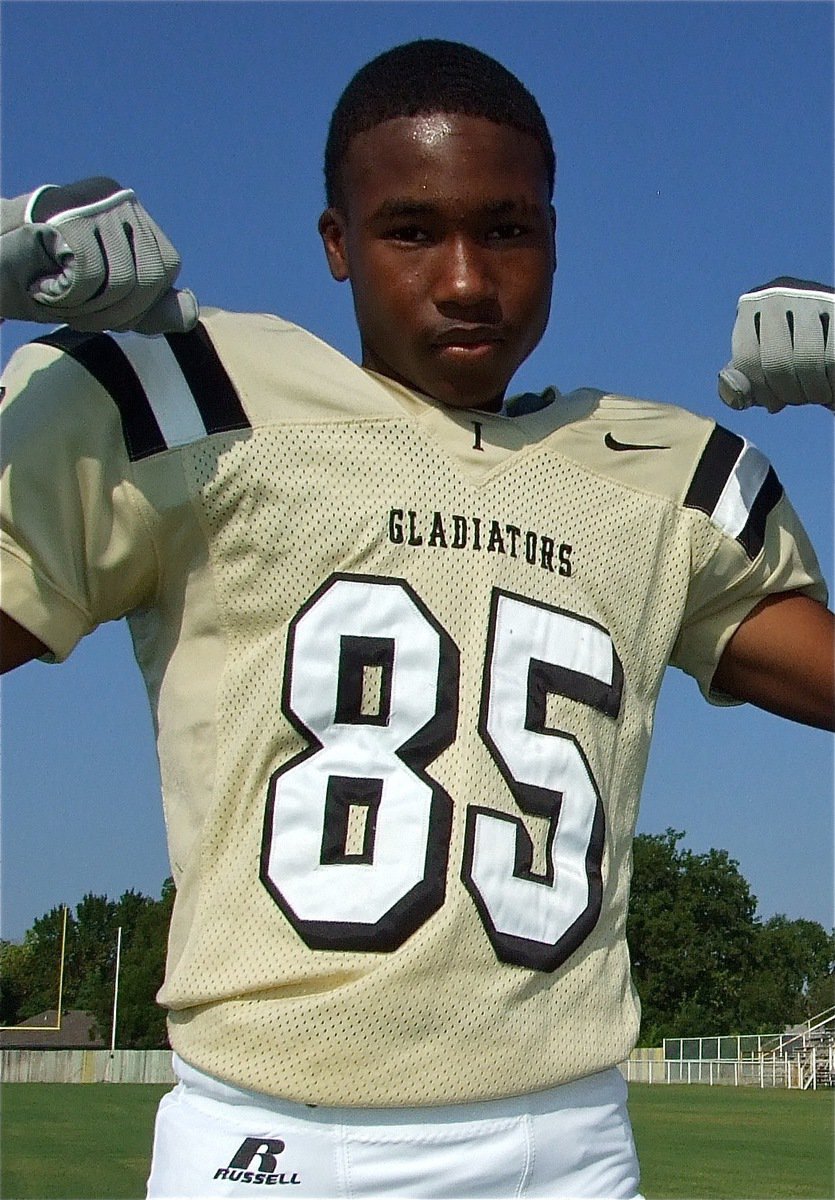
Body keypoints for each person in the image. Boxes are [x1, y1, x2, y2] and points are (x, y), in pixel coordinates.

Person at [1, 38, 832, 1200]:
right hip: (274, 1135)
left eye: (506, 229)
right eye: (409, 230)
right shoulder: (196, 400)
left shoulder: (665, 475)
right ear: (336, 244)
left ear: (553, 232)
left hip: (570, 1145)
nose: (463, 281)